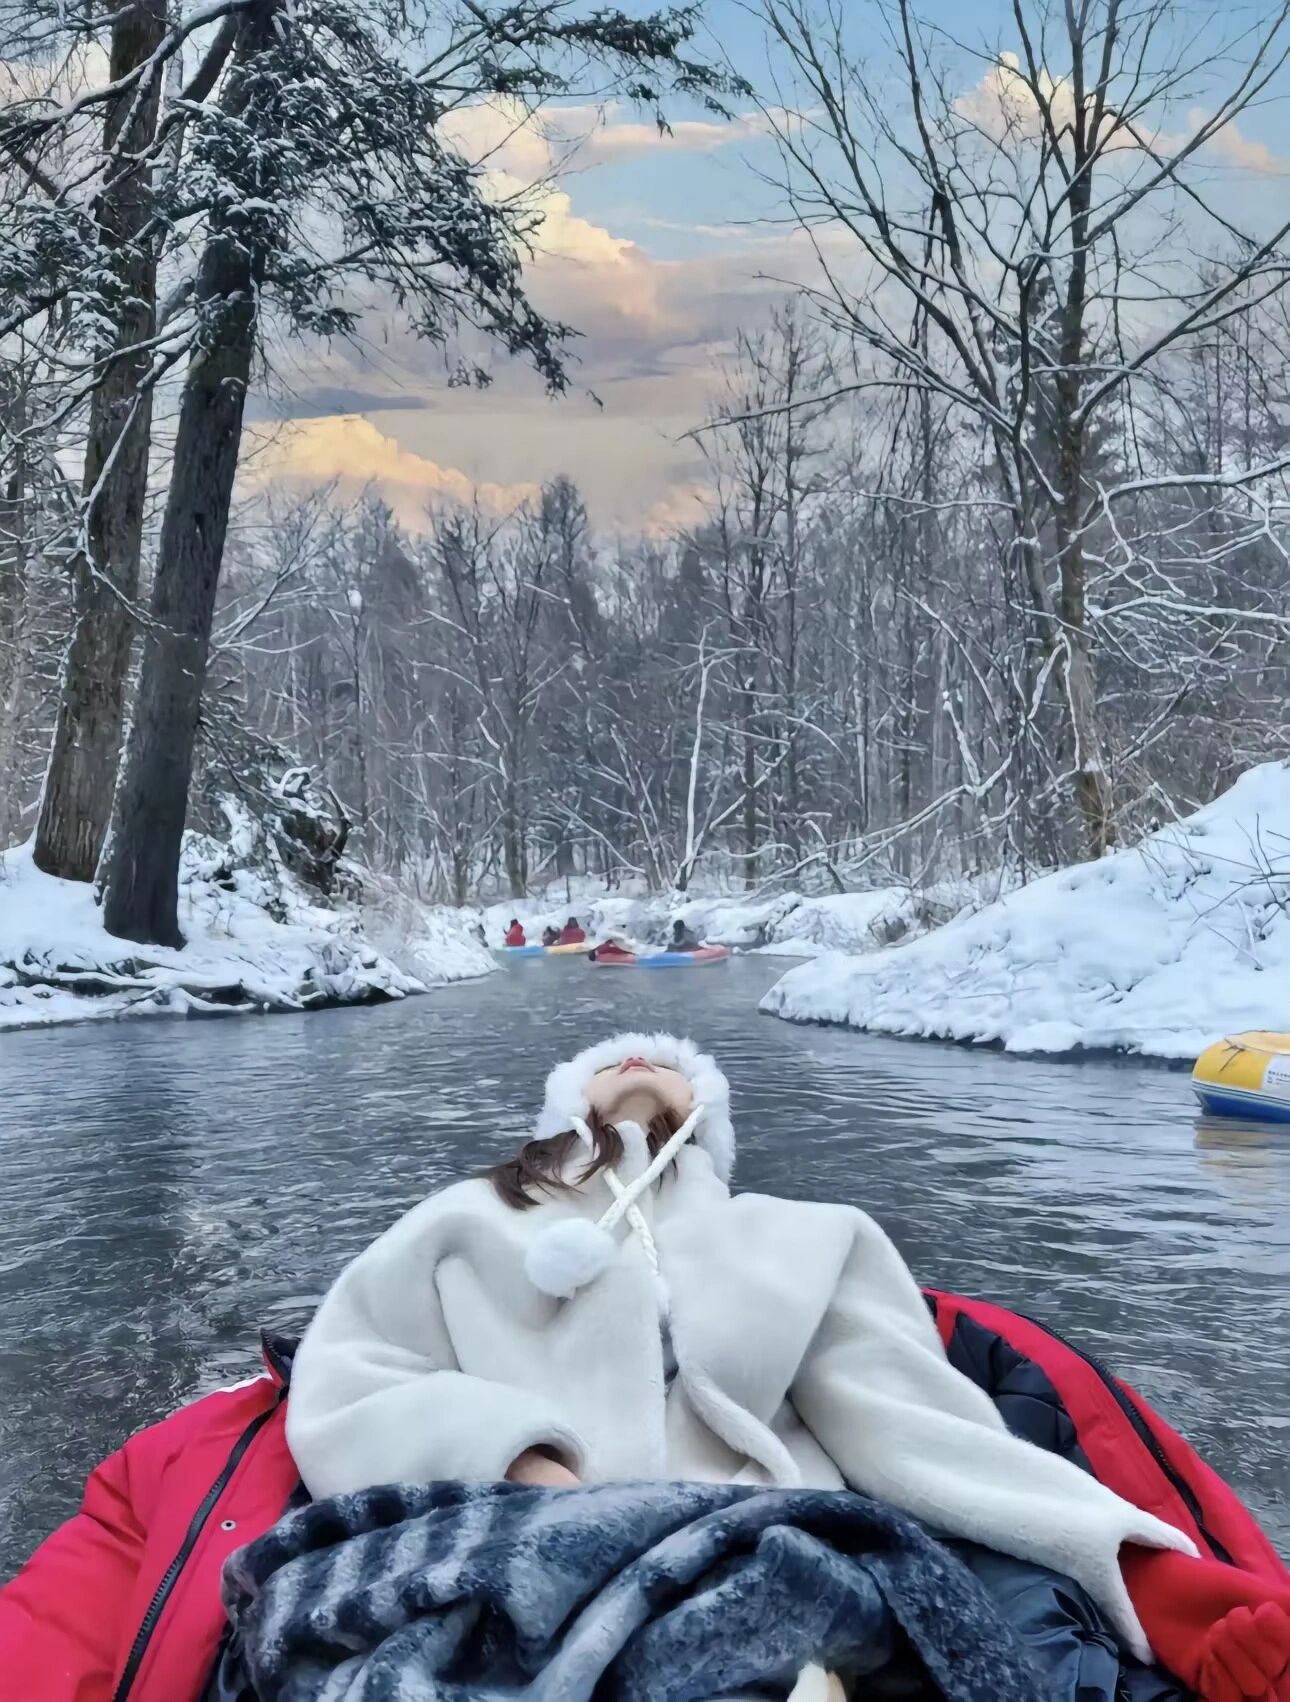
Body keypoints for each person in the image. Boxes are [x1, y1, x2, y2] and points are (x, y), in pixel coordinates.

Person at [4, 1034, 1290, 1701]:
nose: (638, 1063)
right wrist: (522, 1455)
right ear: (560, 1106)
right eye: (611, 1061)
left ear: (706, 1120)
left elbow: (910, 1416)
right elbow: (356, 1368)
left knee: (972, 1605)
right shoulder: (464, 1217)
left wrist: (1149, 1577)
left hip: (772, 1532)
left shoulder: (805, 1236)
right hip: (514, 1527)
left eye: (666, 1064)